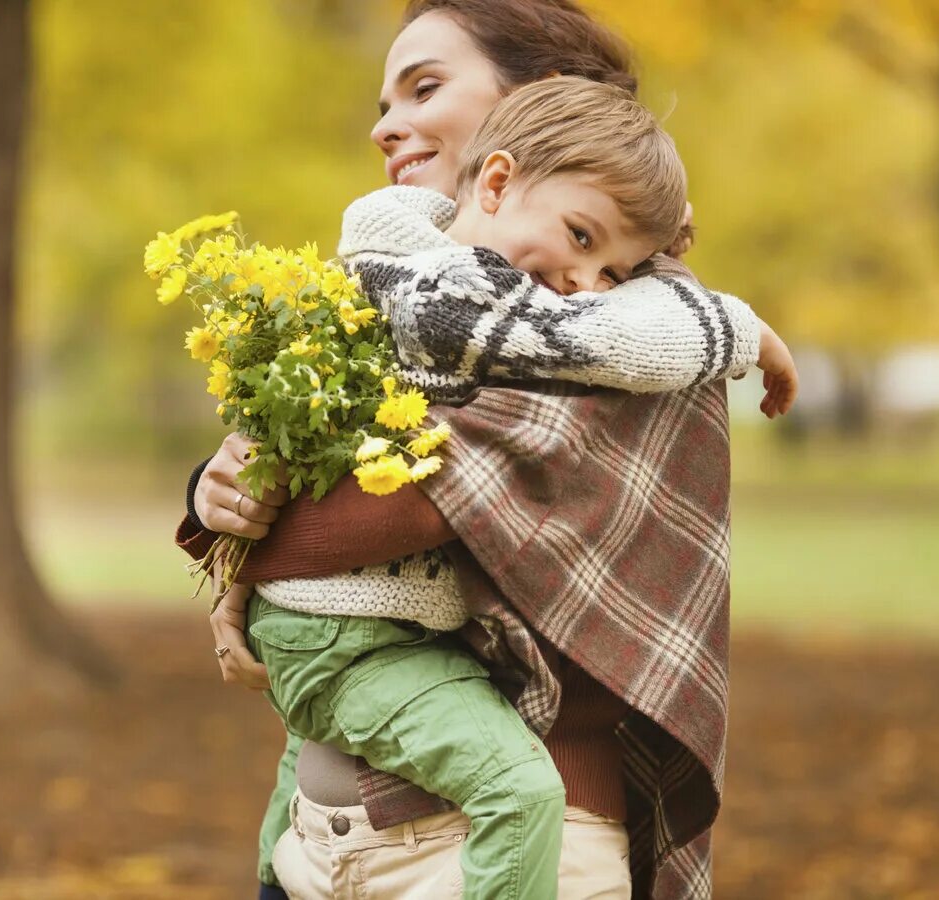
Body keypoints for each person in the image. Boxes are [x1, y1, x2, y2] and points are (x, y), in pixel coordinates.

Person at [185, 2, 791, 897]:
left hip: (492, 845)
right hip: (323, 843)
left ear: (541, 98)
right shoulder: (446, 273)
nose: (385, 123)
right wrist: (223, 485)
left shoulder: (628, 323)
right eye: (384, 97)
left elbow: (375, 513)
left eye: (424, 86)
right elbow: (343, 461)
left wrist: (258, 550)